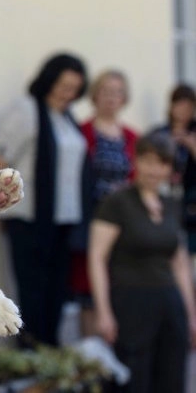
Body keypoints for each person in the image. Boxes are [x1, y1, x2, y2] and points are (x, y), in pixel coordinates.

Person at [0, 52, 89, 347]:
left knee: (57, 289)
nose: (67, 93)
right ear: (49, 81)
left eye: (74, 88)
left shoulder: (68, 119)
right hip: (29, 218)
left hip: (64, 219)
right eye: (62, 85)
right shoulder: (26, 111)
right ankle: (31, 349)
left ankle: (51, 347)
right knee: (31, 290)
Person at [88, 133, 196, 393]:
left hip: (170, 304)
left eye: (162, 163)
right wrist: (103, 312)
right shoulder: (117, 202)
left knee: (172, 378)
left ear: (169, 168)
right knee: (135, 380)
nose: (154, 169)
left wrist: (191, 315)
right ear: (136, 161)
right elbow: (97, 257)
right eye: (147, 161)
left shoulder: (171, 204)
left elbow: (180, 264)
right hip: (131, 303)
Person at [70, 70, 139, 336]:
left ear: (125, 98)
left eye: (118, 92)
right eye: (106, 91)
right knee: (88, 290)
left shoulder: (132, 137)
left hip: (123, 226)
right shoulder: (82, 132)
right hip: (90, 222)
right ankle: (92, 358)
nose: (112, 97)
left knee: (119, 286)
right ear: (95, 95)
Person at [148, 84, 196, 254]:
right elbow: (148, 161)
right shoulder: (160, 133)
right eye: (180, 106)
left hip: (190, 197)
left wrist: (192, 147)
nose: (184, 112)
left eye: (189, 107)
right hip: (164, 193)